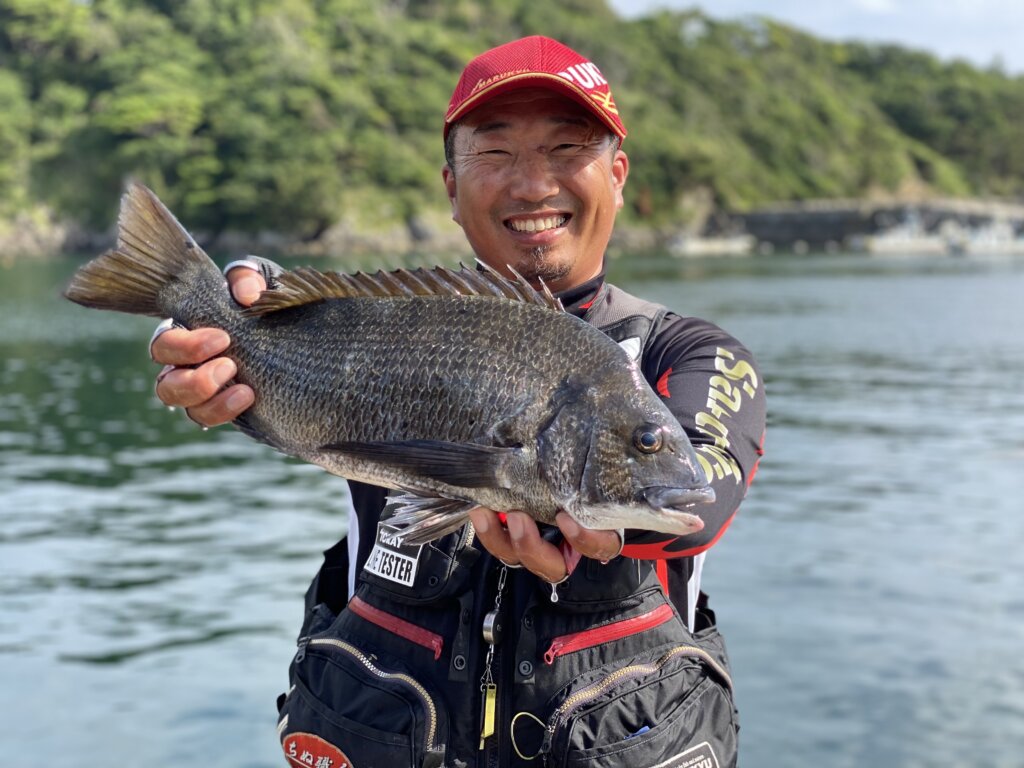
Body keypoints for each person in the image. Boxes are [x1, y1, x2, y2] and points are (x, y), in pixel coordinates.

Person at [151, 36, 765, 768]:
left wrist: (599, 529)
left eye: (567, 147)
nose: (534, 185)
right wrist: (237, 322)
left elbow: (705, 493)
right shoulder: (387, 327)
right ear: (449, 184)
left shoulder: (688, 354)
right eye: (497, 154)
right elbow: (298, 351)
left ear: (618, 174)